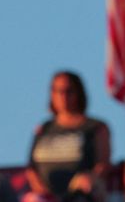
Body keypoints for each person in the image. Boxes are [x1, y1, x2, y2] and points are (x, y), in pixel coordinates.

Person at [26, 71, 111, 200]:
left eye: (68, 91)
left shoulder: (95, 127)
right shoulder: (43, 128)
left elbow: (102, 165)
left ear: (78, 93)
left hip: (82, 192)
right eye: (57, 91)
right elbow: (31, 168)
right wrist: (44, 192)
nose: (63, 96)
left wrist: (87, 181)